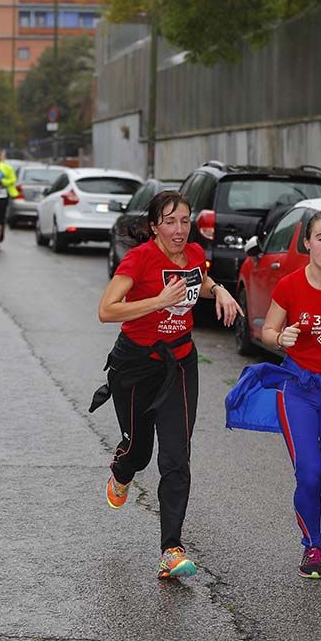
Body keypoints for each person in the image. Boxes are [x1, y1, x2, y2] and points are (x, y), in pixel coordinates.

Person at [92, 190, 242, 580]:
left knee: (176, 456)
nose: (179, 229)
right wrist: (157, 301)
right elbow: (106, 310)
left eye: (185, 220)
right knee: (140, 452)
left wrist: (220, 290)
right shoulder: (139, 259)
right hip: (135, 365)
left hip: (178, 363)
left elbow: (201, 281)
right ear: (154, 226)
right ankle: (122, 471)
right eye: (170, 221)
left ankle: (170, 550)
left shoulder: (193, 253)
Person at [224, 211, 321, 580]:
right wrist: (281, 339)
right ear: (307, 242)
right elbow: (266, 331)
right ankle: (313, 545)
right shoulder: (290, 286)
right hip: (298, 391)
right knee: (308, 476)